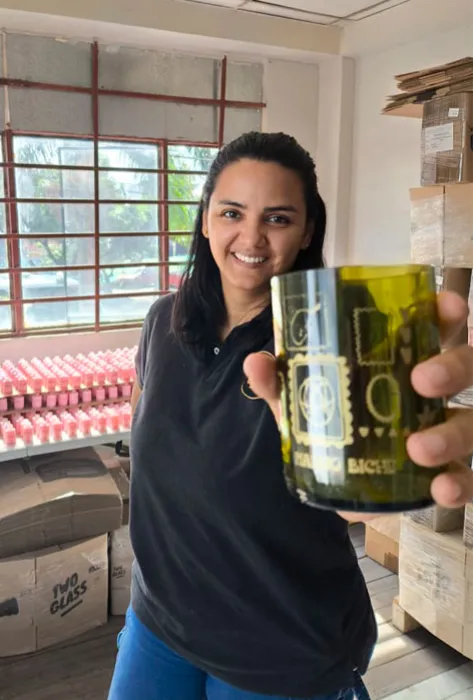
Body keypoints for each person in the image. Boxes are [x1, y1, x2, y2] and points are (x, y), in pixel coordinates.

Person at [108, 132, 473, 700]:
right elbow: (149, 439)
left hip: (282, 646)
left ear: (306, 232)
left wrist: (378, 477)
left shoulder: (328, 343)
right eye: (232, 212)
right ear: (206, 221)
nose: (251, 237)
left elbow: (352, 494)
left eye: (277, 218)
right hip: (159, 620)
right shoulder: (163, 321)